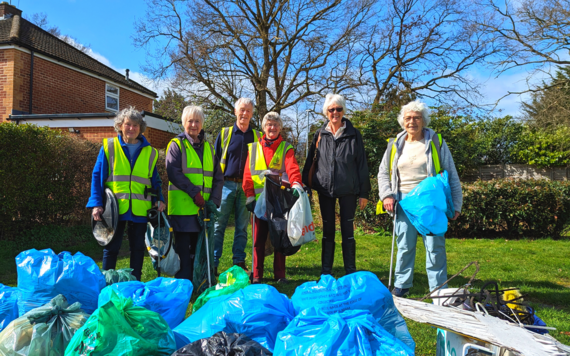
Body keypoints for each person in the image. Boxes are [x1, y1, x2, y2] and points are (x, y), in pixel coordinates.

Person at [378, 100, 462, 297]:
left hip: (429, 202)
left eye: (416, 118)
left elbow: (451, 173)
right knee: (405, 245)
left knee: (435, 246)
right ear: (402, 121)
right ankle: (401, 285)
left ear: (423, 120)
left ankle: (438, 289)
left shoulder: (435, 141)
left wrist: (456, 204)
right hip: (403, 201)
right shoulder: (394, 144)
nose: (412, 122)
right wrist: (387, 195)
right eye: (408, 118)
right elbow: (383, 173)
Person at [87, 107, 164, 281]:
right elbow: (97, 176)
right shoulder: (109, 147)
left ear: (140, 127)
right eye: (128, 124)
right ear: (120, 126)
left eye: (135, 125)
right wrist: (96, 204)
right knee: (111, 247)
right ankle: (107, 283)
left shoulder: (151, 152)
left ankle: (134, 283)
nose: (131, 128)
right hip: (114, 209)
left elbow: (155, 180)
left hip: (140, 208)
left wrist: (159, 199)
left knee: (137, 248)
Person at [302, 93, 370, 276]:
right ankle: (326, 272)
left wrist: (364, 192)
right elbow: (310, 162)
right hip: (325, 190)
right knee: (328, 232)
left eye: (339, 109)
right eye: (331, 109)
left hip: (348, 190)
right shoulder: (320, 134)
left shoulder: (354, 134)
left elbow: (362, 165)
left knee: (348, 232)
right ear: (326, 112)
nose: (335, 113)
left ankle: (350, 271)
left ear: (343, 111)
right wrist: (305, 186)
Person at [242, 112, 303, 284]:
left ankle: (280, 275)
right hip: (259, 201)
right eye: (269, 124)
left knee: (280, 236)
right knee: (258, 239)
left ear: (280, 128)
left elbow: (292, 168)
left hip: (279, 200)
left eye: (276, 124)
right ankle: (257, 275)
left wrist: (296, 183)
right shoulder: (253, 148)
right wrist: (249, 196)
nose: (272, 127)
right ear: (264, 127)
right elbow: (248, 174)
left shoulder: (286, 148)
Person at [166, 105, 224, 281]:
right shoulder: (176, 145)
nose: (193, 125)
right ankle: (184, 286)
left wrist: (214, 199)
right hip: (183, 211)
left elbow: (218, 177)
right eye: (190, 121)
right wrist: (195, 194)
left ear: (202, 124)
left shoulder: (208, 147)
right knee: (183, 251)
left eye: (197, 121)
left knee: (198, 251)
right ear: (184, 123)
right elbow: (174, 173)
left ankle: (199, 284)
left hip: (203, 210)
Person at [213, 98, 262, 275]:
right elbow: (215, 161)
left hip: (246, 187)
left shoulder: (257, 137)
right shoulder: (225, 133)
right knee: (219, 225)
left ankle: (239, 262)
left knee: (242, 227)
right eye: (242, 110)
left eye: (248, 111)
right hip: (226, 185)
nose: (244, 114)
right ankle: (214, 262)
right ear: (235, 111)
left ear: (252, 114)